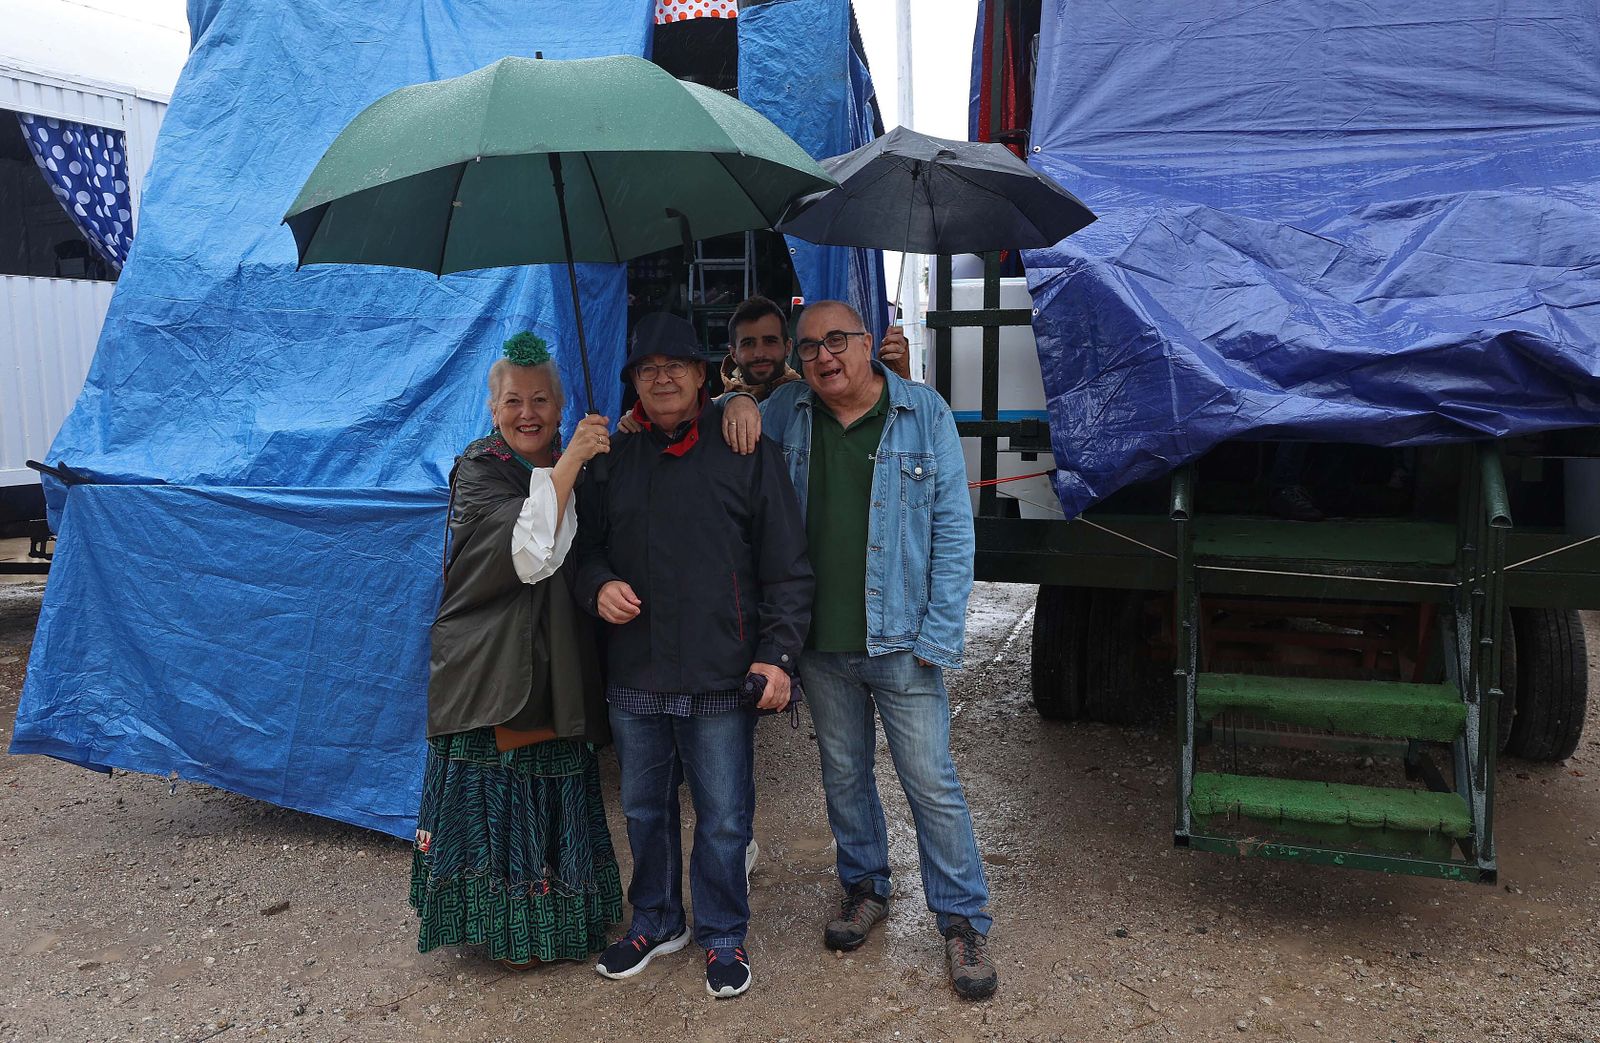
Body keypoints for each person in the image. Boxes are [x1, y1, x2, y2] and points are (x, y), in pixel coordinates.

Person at [756, 300, 999, 1000]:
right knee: (844, 775)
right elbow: (717, 435)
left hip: (904, 644)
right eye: (810, 348)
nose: (824, 356)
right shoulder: (784, 414)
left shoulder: (923, 413)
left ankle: (961, 920)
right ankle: (865, 886)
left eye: (838, 341)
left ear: (869, 342)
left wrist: (939, 634)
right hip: (820, 644)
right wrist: (737, 404)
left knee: (931, 782)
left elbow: (954, 534)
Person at [575, 312, 813, 999]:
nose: (663, 377)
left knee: (725, 814)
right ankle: (654, 919)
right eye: (648, 369)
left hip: (722, 668)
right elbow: (583, 551)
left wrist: (779, 654)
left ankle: (722, 934)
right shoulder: (611, 459)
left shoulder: (746, 448)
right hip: (638, 669)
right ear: (634, 386)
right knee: (645, 808)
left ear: (704, 376)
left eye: (676, 366)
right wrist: (599, 586)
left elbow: (788, 566)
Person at [410, 332, 620, 969]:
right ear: (492, 408)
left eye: (539, 400)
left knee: (555, 784)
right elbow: (526, 554)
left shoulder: (582, 457)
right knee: (497, 789)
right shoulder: (479, 468)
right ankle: (500, 930)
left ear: (560, 407)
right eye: (512, 402)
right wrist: (571, 463)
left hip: (559, 660)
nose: (526, 413)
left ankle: (559, 921)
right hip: (490, 667)